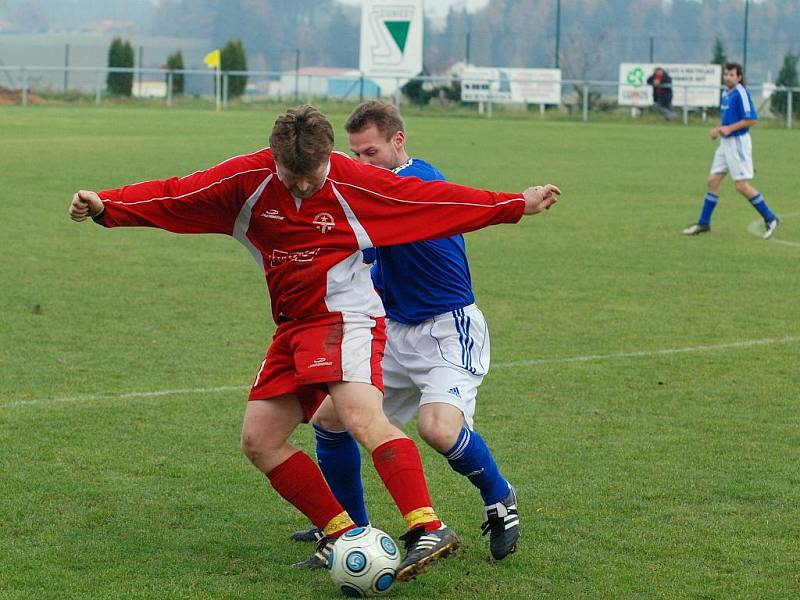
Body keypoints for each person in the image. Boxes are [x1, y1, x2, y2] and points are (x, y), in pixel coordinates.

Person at [67, 105, 560, 581]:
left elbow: (436, 202)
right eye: (291, 175)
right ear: (272, 157)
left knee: (361, 418)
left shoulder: (353, 181)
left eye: (313, 174)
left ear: (329, 159)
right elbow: (178, 194)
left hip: (346, 318)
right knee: (259, 440)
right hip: (293, 327)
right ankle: (342, 532)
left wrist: (518, 204)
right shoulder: (246, 181)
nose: (302, 185)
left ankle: (427, 527)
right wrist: (108, 205)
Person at [290, 100, 521, 561]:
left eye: (370, 153)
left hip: (448, 329)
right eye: (355, 155)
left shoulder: (420, 182)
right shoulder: (369, 193)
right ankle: (350, 530)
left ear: (399, 141)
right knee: (331, 422)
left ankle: (501, 499)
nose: (362, 164)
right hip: (395, 331)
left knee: (437, 429)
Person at [683, 62, 779, 239]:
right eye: (726, 74)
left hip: (738, 143)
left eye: (731, 75)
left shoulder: (741, 93)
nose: (727, 77)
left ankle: (771, 218)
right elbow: (727, 121)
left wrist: (729, 129)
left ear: (739, 77)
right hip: (725, 144)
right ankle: (704, 223)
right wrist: (718, 128)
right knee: (712, 181)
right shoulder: (726, 94)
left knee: (741, 186)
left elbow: (751, 119)